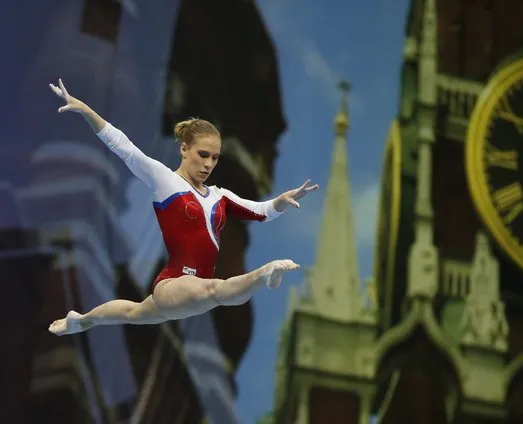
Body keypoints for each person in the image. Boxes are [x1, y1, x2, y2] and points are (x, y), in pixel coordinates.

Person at [47, 79, 319, 336]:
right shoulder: (165, 180)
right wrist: (85, 110)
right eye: (203, 155)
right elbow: (124, 148)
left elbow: (261, 212)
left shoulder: (220, 197)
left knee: (133, 311)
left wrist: (281, 201)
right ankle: (264, 274)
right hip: (173, 284)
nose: (209, 164)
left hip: (191, 290)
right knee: (217, 290)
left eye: (214, 158)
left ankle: (80, 320)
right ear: (184, 149)